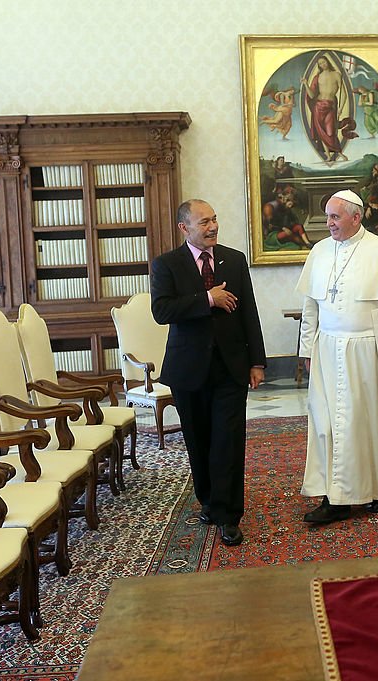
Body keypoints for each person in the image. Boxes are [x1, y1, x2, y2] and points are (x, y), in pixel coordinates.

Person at [296, 189, 378, 525]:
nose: (329, 224)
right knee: (326, 421)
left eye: (335, 217)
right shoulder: (320, 251)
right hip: (327, 349)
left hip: (369, 350)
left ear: (357, 216)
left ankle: (374, 489)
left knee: (367, 423)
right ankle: (335, 495)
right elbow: (310, 308)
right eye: (327, 217)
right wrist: (307, 349)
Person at [150, 199, 266, 547]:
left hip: (231, 367)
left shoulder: (234, 259)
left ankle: (229, 516)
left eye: (214, 219)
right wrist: (207, 299)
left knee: (228, 443)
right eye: (204, 222)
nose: (212, 226)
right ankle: (209, 501)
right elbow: (161, 310)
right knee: (198, 442)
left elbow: (248, 312)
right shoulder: (166, 264)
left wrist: (257, 361)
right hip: (188, 370)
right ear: (184, 228)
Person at [303, 55, 357, 162]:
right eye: (320, 64)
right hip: (318, 106)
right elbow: (312, 95)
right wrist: (305, 84)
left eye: (324, 62)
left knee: (330, 132)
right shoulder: (317, 77)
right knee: (321, 132)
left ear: (328, 62)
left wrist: (341, 108)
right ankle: (328, 156)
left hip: (330, 106)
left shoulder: (337, 74)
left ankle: (340, 154)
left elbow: (344, 94)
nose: (323, 65)